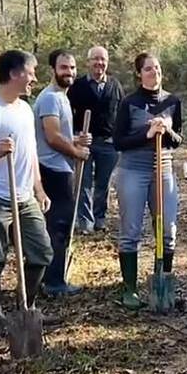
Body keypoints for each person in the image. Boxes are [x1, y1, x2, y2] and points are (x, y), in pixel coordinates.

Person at [0, 50, 54, 336]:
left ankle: (24, 307)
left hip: (24, 196)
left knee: (41, 253)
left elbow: (30, 155)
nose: (34, 78)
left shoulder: (25, 109)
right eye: (31, 72)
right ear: (16, 74)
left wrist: (38, 188)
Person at [113, 53, 183, 310]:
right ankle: (130, 288)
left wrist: (167, 130)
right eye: (149, 69)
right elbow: (118, 141)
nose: (154, 73)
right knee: (131, 232)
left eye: (158, 68)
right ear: (139, 74)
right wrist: (147, 133)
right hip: (133, 170)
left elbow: (178, 141)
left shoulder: (172, 101)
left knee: (168, 231)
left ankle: (162, 279)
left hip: (163, 169)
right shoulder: (129, 103)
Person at [33, 49, 91, 298]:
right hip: (53, 170)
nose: (69, 72)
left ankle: (55, 277)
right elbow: (52, 137)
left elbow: (61, 134)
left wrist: (76, 140)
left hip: (60, 166)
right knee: (58, 226)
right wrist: (76, 152)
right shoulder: (50, 98)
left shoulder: (62, 97)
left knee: (62, 225)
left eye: (73, 68)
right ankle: (53, 282)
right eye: (64, 67)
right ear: (53, 70)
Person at [67, 45, 124, 233]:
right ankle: (85, 222)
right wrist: (75, 137)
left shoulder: (115, 85)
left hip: (109, 144)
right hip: (85, 143)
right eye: (95, 59)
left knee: (103, 183)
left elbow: (123, 112)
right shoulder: (77, 86)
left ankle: (100, 219)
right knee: (83, 182)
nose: (99, 63)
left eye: (103, 60)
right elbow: (67, 114)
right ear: (88, 62)